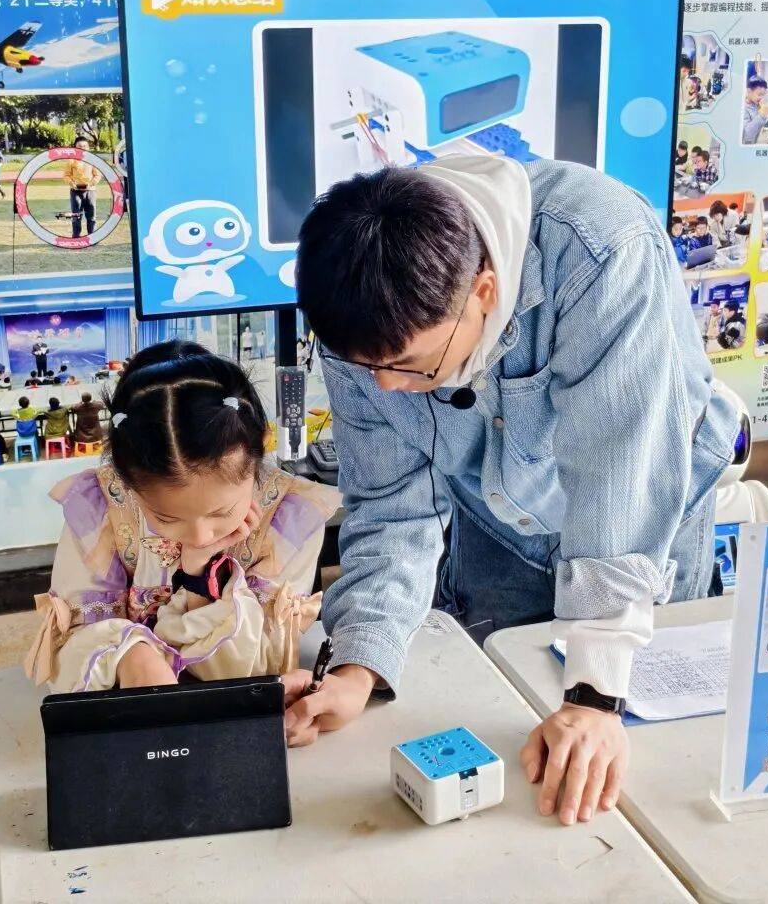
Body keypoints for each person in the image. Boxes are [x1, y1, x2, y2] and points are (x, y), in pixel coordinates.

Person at [292, 154, 741, 827]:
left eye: (411, 366)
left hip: (646, 506)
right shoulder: (362, 317)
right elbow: (390, 505)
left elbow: (619, 468)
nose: (384, 386)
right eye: (366, 367)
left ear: (484, 292)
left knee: (633, 756)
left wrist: (595, 694)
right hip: (496, 509)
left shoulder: (598, 248)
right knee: (500, 732)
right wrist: (359, 663)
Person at [24, 340, 339, 694]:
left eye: (221, 512)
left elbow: (256, 671)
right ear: (126, 481)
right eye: (166, 517)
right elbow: (70, 650)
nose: (200, 536)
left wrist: (200, 578)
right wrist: (130, 655)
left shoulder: (287, 519)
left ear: (257, 456)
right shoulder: (102, 508)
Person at [64, 136, 98, 238]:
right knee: (76, 216)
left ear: (88, 147)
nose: (82, 148)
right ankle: (76, 237)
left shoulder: (93, 160)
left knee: (91, 216)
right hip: (75, 191)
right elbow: (66, 175)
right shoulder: (71, 160)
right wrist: (72, 184)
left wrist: (90, 184)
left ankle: (92, 237)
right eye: (79, 146)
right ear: (75, 147)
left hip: (90, 191)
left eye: (84, 146)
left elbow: (97, 175)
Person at [743, 77, 768, 144]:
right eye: (759, 94)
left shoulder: (756, 104)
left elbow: (759, 120)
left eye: (763, 95)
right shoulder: (743, 108)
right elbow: (747, 135)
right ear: (749, 91)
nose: (761, 98)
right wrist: (762, 115)